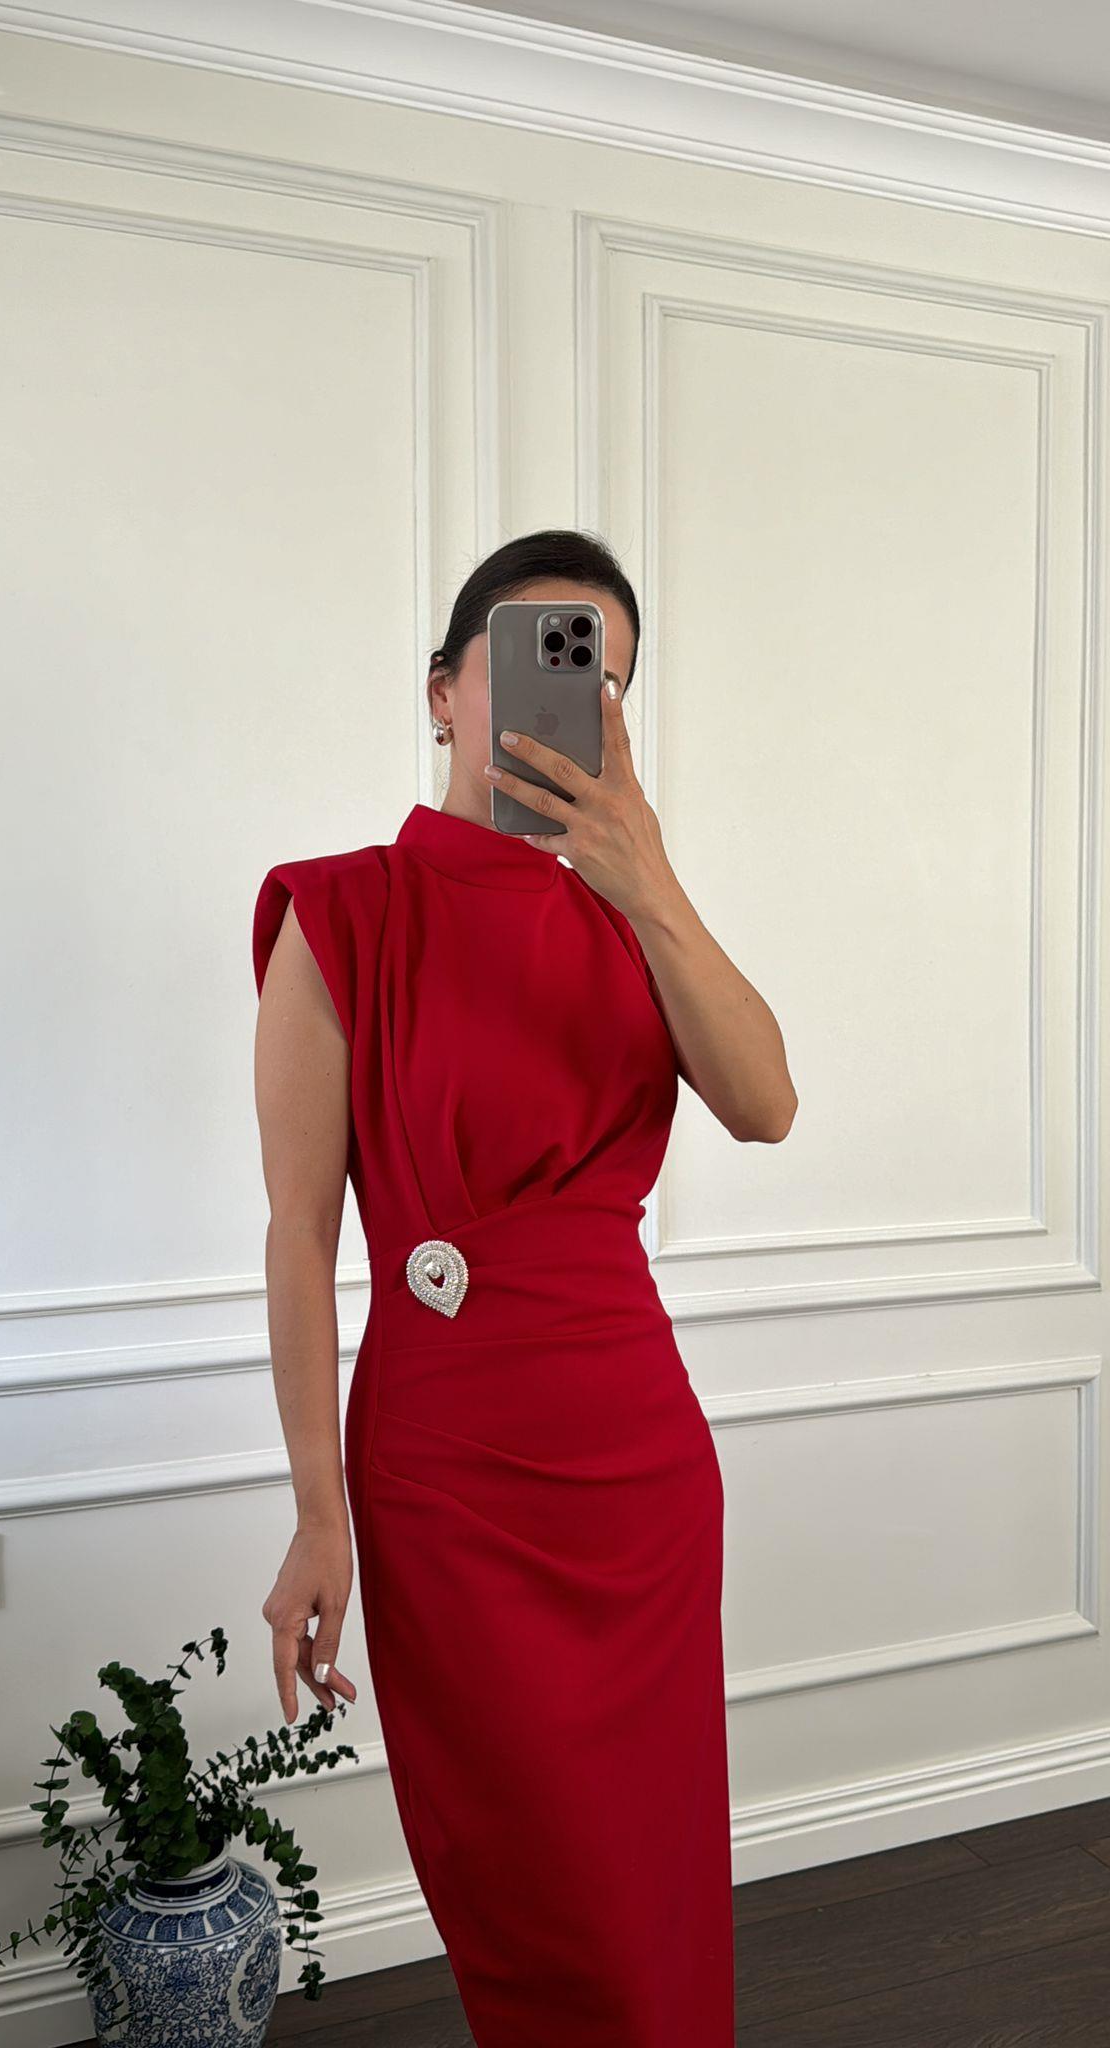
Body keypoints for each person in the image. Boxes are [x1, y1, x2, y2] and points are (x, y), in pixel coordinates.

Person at [252, 528, 797, 2046]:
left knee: (652, 1900)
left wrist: (650, 876)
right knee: (538, 1909)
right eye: (540, 653)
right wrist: (318, 1515)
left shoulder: (636, 922)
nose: (576, 694)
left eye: (602, 677)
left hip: (637, 1468)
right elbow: (298, 1233)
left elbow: (766, 1105)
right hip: (451, 1480)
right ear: (443, 689)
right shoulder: (339, 910)